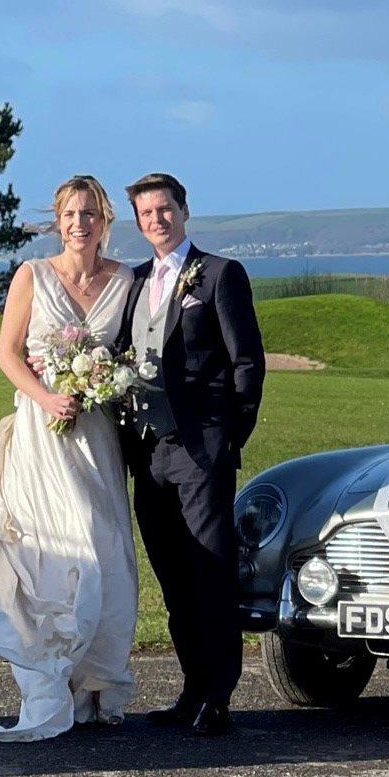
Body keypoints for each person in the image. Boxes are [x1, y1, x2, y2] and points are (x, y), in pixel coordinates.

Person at [0, 175, 139, 742]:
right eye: (69, 214)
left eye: (89, 213)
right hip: (43, 432)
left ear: (105, 221)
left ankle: (94, 686)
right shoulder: (32, 276)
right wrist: (47, 396)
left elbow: (130, 353)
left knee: (108, 550)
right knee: (55, 550)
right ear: (57, 222)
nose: (79, 223)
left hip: (98, 437)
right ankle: (47, 684)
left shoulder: (124, 281)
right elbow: (7, 355)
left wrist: (106, 382)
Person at [114, 172, 265, 737]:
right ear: (138, 221)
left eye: (165, 209)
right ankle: (191, 690)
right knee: (174, 579)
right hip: (148, 454)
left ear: (184, 211)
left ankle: (218, 699)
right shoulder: (132, 282)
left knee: (210, 573)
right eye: (147, 213)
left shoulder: (221, 274)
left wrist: (230, 436)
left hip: (202, 450)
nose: (157, 219)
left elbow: (247, 361)